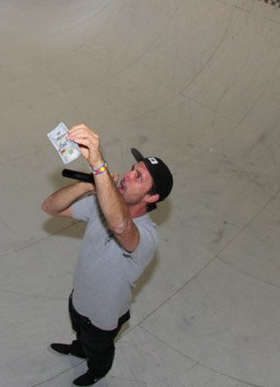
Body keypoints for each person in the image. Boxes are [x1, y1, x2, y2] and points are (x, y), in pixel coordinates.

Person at [43, 124, 172, 387]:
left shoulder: (148, 236)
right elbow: (50, 208)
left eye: (139, 177)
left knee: (98, 347)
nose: (127, 175)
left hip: (103, 317)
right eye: (133, 169)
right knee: (79, 332)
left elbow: (122, 227)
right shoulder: (99, 204)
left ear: (152, 196)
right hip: (78, 296)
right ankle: (79, 349)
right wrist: (87, 186)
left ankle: (98, 369)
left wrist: (98, 165)